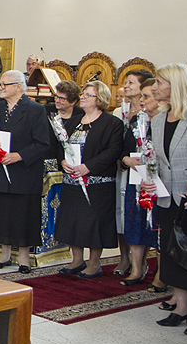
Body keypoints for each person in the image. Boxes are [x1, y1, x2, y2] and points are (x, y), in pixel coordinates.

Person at [141, 64, 187, 336]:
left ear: (176, 85)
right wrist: (148, 178)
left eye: (159, 82)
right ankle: (182, 307)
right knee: (171, 254)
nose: (154, 87)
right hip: (167, 198)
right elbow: (156, 160)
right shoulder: (158, 120)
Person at [54, 81, 125, 278]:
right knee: (72, 221)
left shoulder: (112, 123)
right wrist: (62, 161)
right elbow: (61, 145)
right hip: (72, 181)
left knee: (95, 222)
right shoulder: (73, 121)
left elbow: (113, 151)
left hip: (97, 182)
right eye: (83, 93)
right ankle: (77, 260)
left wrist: (88, 167)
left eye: (88, 94)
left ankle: (94, 263)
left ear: (99, 99)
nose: (82, 97)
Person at [0, 70, 50, 273]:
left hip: (24, 170)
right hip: (1, 168)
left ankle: (23, 257)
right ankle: (4, 254)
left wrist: (18, 156)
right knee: (2, 212)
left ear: (19, 86)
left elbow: (42, 143)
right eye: (0, 84)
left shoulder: (35, 110)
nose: (0, 88)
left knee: (23, 213)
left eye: (5, 84)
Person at [119, 77, 162, 286]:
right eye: (142, 96)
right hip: (136, 179)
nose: (142, 100)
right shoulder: (137, 120)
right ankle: (137, 269)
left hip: (158, 182)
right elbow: (123, 150)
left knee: (157, 226)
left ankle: (161, 274)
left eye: (147, 96)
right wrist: (127, 159)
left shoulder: (165, 120)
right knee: (135, 223)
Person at [113, 69, 155, 276]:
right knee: (130, 218)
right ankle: (132, 264)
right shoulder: (131, 117)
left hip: (152, 176)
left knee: (149, 222)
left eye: (131, 82)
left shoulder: (156, 117)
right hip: (129, 172)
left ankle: (151, 268)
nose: (126, 86)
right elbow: (124, 147)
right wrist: (126, 159)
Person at [44, 80, 84, 162]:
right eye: (56, 96)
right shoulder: (45, 111)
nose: (57, 100)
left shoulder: (81, 115)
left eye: (62, 98)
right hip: (48, 157)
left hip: (72, 160)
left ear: (73, 102)